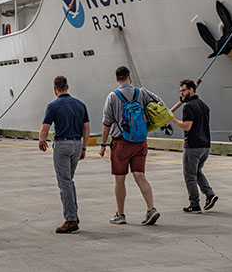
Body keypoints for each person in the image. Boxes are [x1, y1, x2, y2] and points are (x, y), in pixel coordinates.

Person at [99, 66, 161, 226]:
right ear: (129, 77)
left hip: (121, 143)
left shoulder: (112, 97)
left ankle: (120, 215)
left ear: (117, 79)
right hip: (140, 142)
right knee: (140, 176)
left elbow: (106, 124)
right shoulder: (142, 93)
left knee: (120, 180)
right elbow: (159, 105)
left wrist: (103, 145)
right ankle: (151, 208)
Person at [39, 75, 90, 233]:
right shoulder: (80, 104)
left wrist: (42, 140)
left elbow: (46, 127)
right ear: (67, 86)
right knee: (69, 180)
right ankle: (73, 213)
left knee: (65, 183)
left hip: (62, 145)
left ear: (55, 89)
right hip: (77, 144)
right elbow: (86, 128)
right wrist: (84, 148)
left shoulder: (53, 106)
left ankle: (70, 219)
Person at [170, 79, 218, 213]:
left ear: (191, 90)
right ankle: (210, 194)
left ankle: (194, 204)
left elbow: (187, 126)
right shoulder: (204, 106)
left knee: (189, 175)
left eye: (183, 91)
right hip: (205, 145)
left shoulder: (188, 107)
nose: (182, 94)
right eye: (180, 91)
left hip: (193, 146)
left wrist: (172, 119)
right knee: (197, 172)